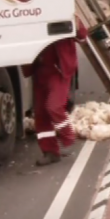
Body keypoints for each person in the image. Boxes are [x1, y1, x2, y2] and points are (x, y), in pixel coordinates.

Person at [21, 18, 88, 166]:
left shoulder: (64, 12)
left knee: (54, 106)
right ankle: (50, 152)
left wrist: (76, 25)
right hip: (39, 71)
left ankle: (68, 137)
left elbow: (83, 38)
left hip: (59, 72)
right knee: (41, 114)